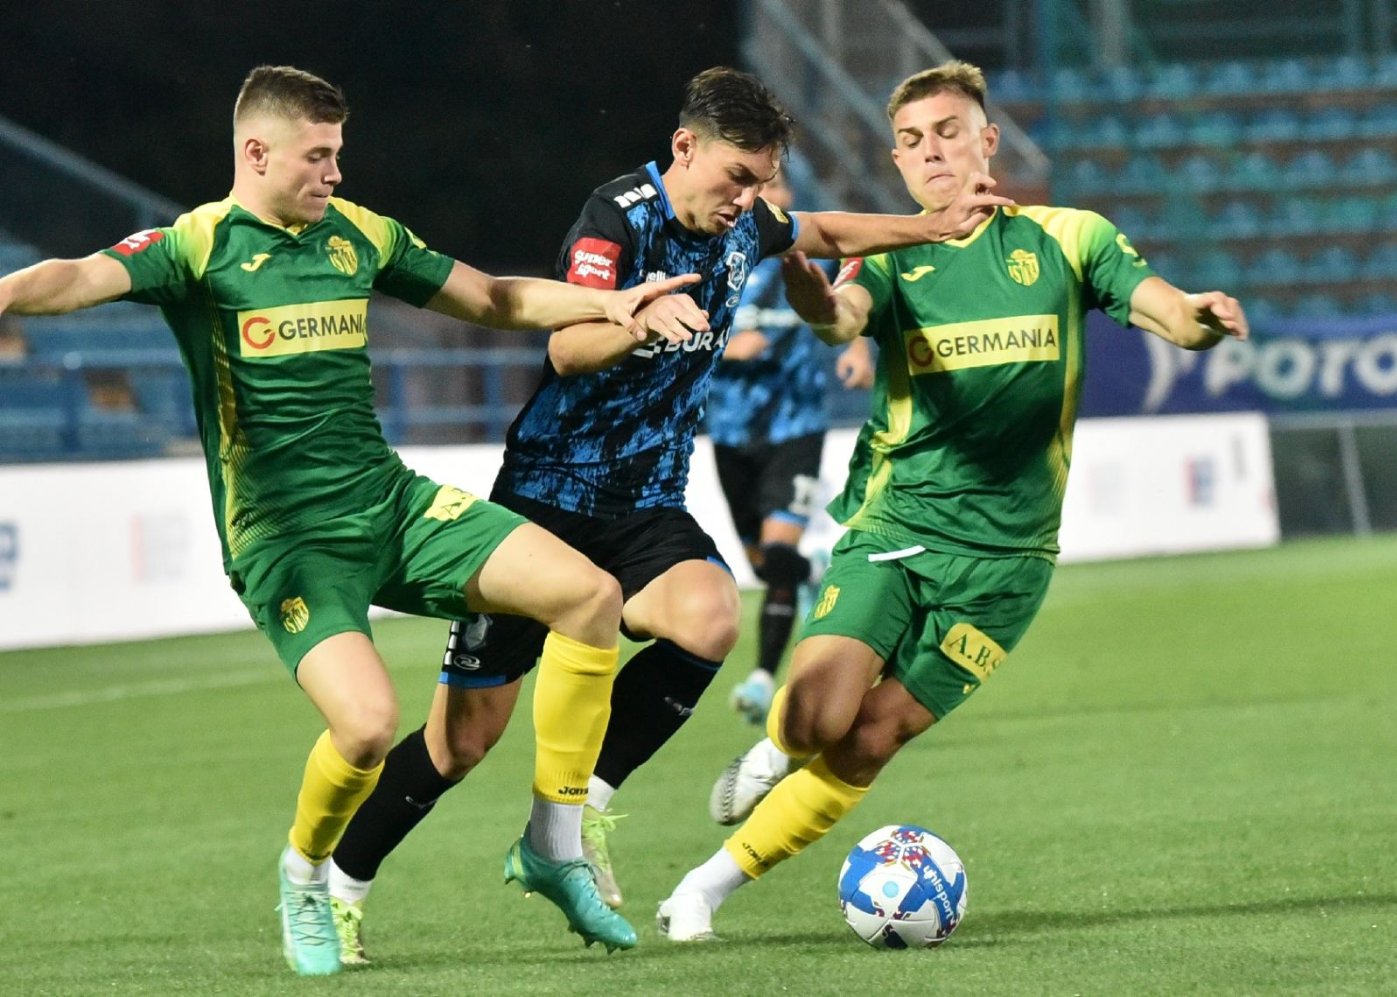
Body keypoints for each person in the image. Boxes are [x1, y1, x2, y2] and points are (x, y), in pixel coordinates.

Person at [0, 64, 705, 976]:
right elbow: (77, 277)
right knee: (368, 727)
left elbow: (493, 297)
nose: (335, 172)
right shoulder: (197, 246)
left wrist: (608, 302)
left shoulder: (357, 233)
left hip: (392, 504)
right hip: (288, 541)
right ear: (257, 152)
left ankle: (554, 842)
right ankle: (305, 873)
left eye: (338, 153)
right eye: (318, 156)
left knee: (589, 594)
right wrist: (7, 293)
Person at [325, 64, 1013, 964]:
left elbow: (823, 228)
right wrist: (640, 320)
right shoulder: (618, 217)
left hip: (646, 504)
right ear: (684, 147)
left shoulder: (745, 225)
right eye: (736, 178)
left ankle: (577, 817)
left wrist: (928, 225)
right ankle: (340, 889)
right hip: (546, 501)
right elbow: (567, 350)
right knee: (462, 741)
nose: (747, 200)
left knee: (708, 615)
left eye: (760, 182)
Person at [656, 59, 1250, 942]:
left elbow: (1166, 313)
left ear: (987, 140)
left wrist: (1199, 316)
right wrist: (814, 299)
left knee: (870, 737)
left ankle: (702, 888)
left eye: (946, 131)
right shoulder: (892, 253)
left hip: (1008, 563)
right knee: (817, 716)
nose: (930, 151)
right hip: (900, 525)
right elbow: (842, 317)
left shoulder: (1069, 238)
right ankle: (776, 745)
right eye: (910, 141)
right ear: (897, 163)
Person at [706, 163, 874, 727]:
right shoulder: (715, 256)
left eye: (775, 187)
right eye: (756, 188)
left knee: (777, 555)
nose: (765, 196)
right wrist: (717, 346)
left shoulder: (807, 256)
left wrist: (858, 348)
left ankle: (761, 680)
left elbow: (852, 294)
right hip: (730, 431)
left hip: (795, 425)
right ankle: (810, 571)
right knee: (764, 564)